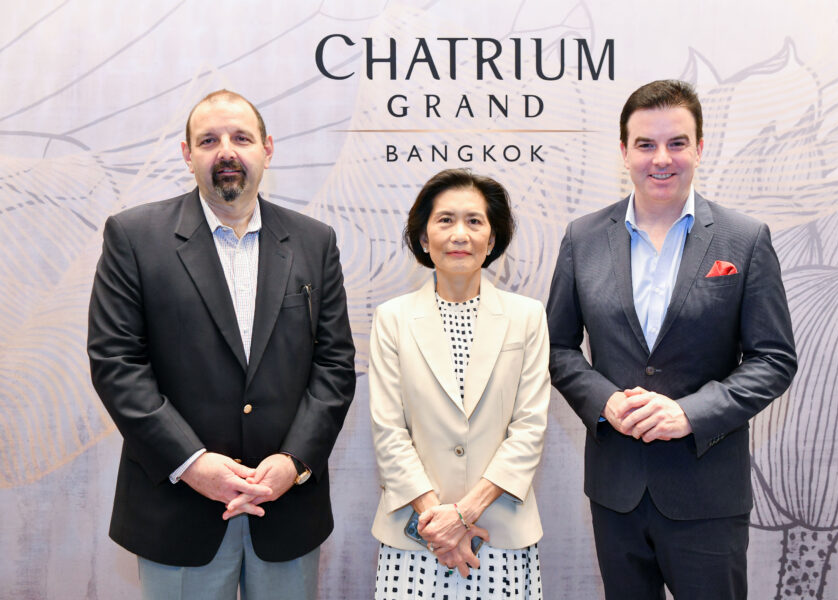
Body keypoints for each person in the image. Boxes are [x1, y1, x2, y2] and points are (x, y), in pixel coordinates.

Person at [87, 89, 356, 599]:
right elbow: (117, 363)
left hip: (285, 507)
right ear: (187, 154)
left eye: (241, 138)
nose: (226, 151)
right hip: (177, 509)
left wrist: (294, 461)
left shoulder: (314, 241)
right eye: (209, 140)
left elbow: (335, 365)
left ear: (267, 149)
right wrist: (191, 463)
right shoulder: (133, 236)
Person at [546, 80, 797, 600]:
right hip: (616, 492)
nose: (661, 159)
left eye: (677, 143)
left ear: (699, 148)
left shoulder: (745, 239)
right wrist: (604, 401)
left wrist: (689, 413)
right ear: (624, 151)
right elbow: (556, 347)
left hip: (707, 493)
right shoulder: (582, 238)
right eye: (646, 144)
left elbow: (773, 359)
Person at [368, 169, 549, 599]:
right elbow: (389, 431)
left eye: (474, 221)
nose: (460, 234)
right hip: (416, 534)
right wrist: (438, 523)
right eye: (445, 220)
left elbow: (529, 429)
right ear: (424, 238)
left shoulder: (527, 317)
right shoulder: (392, 319)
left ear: (492, 239)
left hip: (500, 530)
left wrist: (464, 515)